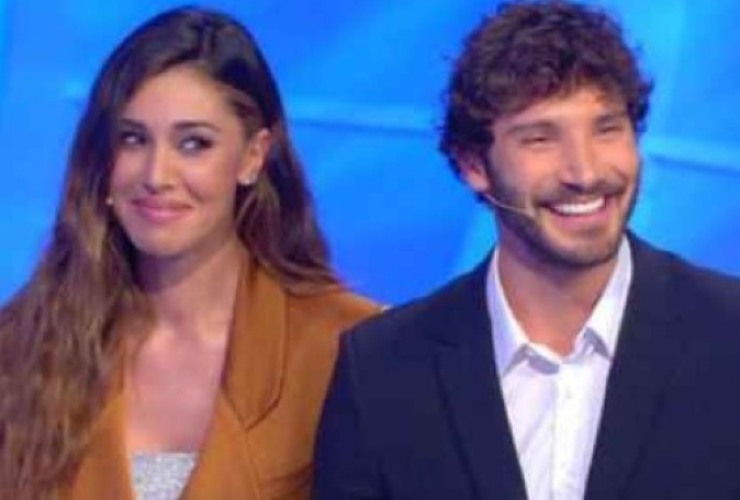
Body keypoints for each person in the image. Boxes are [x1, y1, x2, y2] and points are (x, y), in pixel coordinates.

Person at [313, 1, 740, 499]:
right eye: (541, 138)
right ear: (474, 165)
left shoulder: (728, 334)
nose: (584, 172)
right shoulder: (383, 369)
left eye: (607, 129)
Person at [0, 7, 378, 499]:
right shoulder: (21, 346)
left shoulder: (350, 349)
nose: (156, 175)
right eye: (133, 139)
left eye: (194, 144)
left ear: (252, 156)